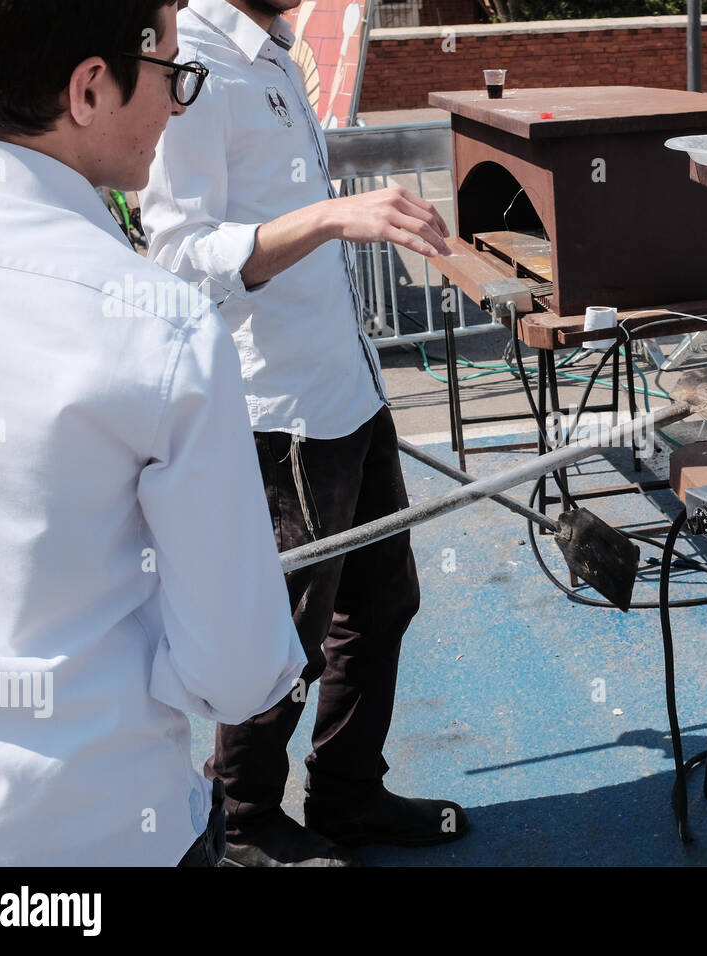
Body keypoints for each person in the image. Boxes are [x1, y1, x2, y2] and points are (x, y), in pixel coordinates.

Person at [0, 0, 307, 866]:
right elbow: (238, 674)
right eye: (173, 74)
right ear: (88, 87)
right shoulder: (161, 329)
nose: (178, 105)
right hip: (99, 829)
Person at [141, 0, 466, 867]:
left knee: (382, 605)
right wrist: (332, 217)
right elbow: (177, 253)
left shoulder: (272, 51)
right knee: (279, 636)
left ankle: (348, 794)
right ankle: (244, 818)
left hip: (346, 387)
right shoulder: (197, 60)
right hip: (275, 409)